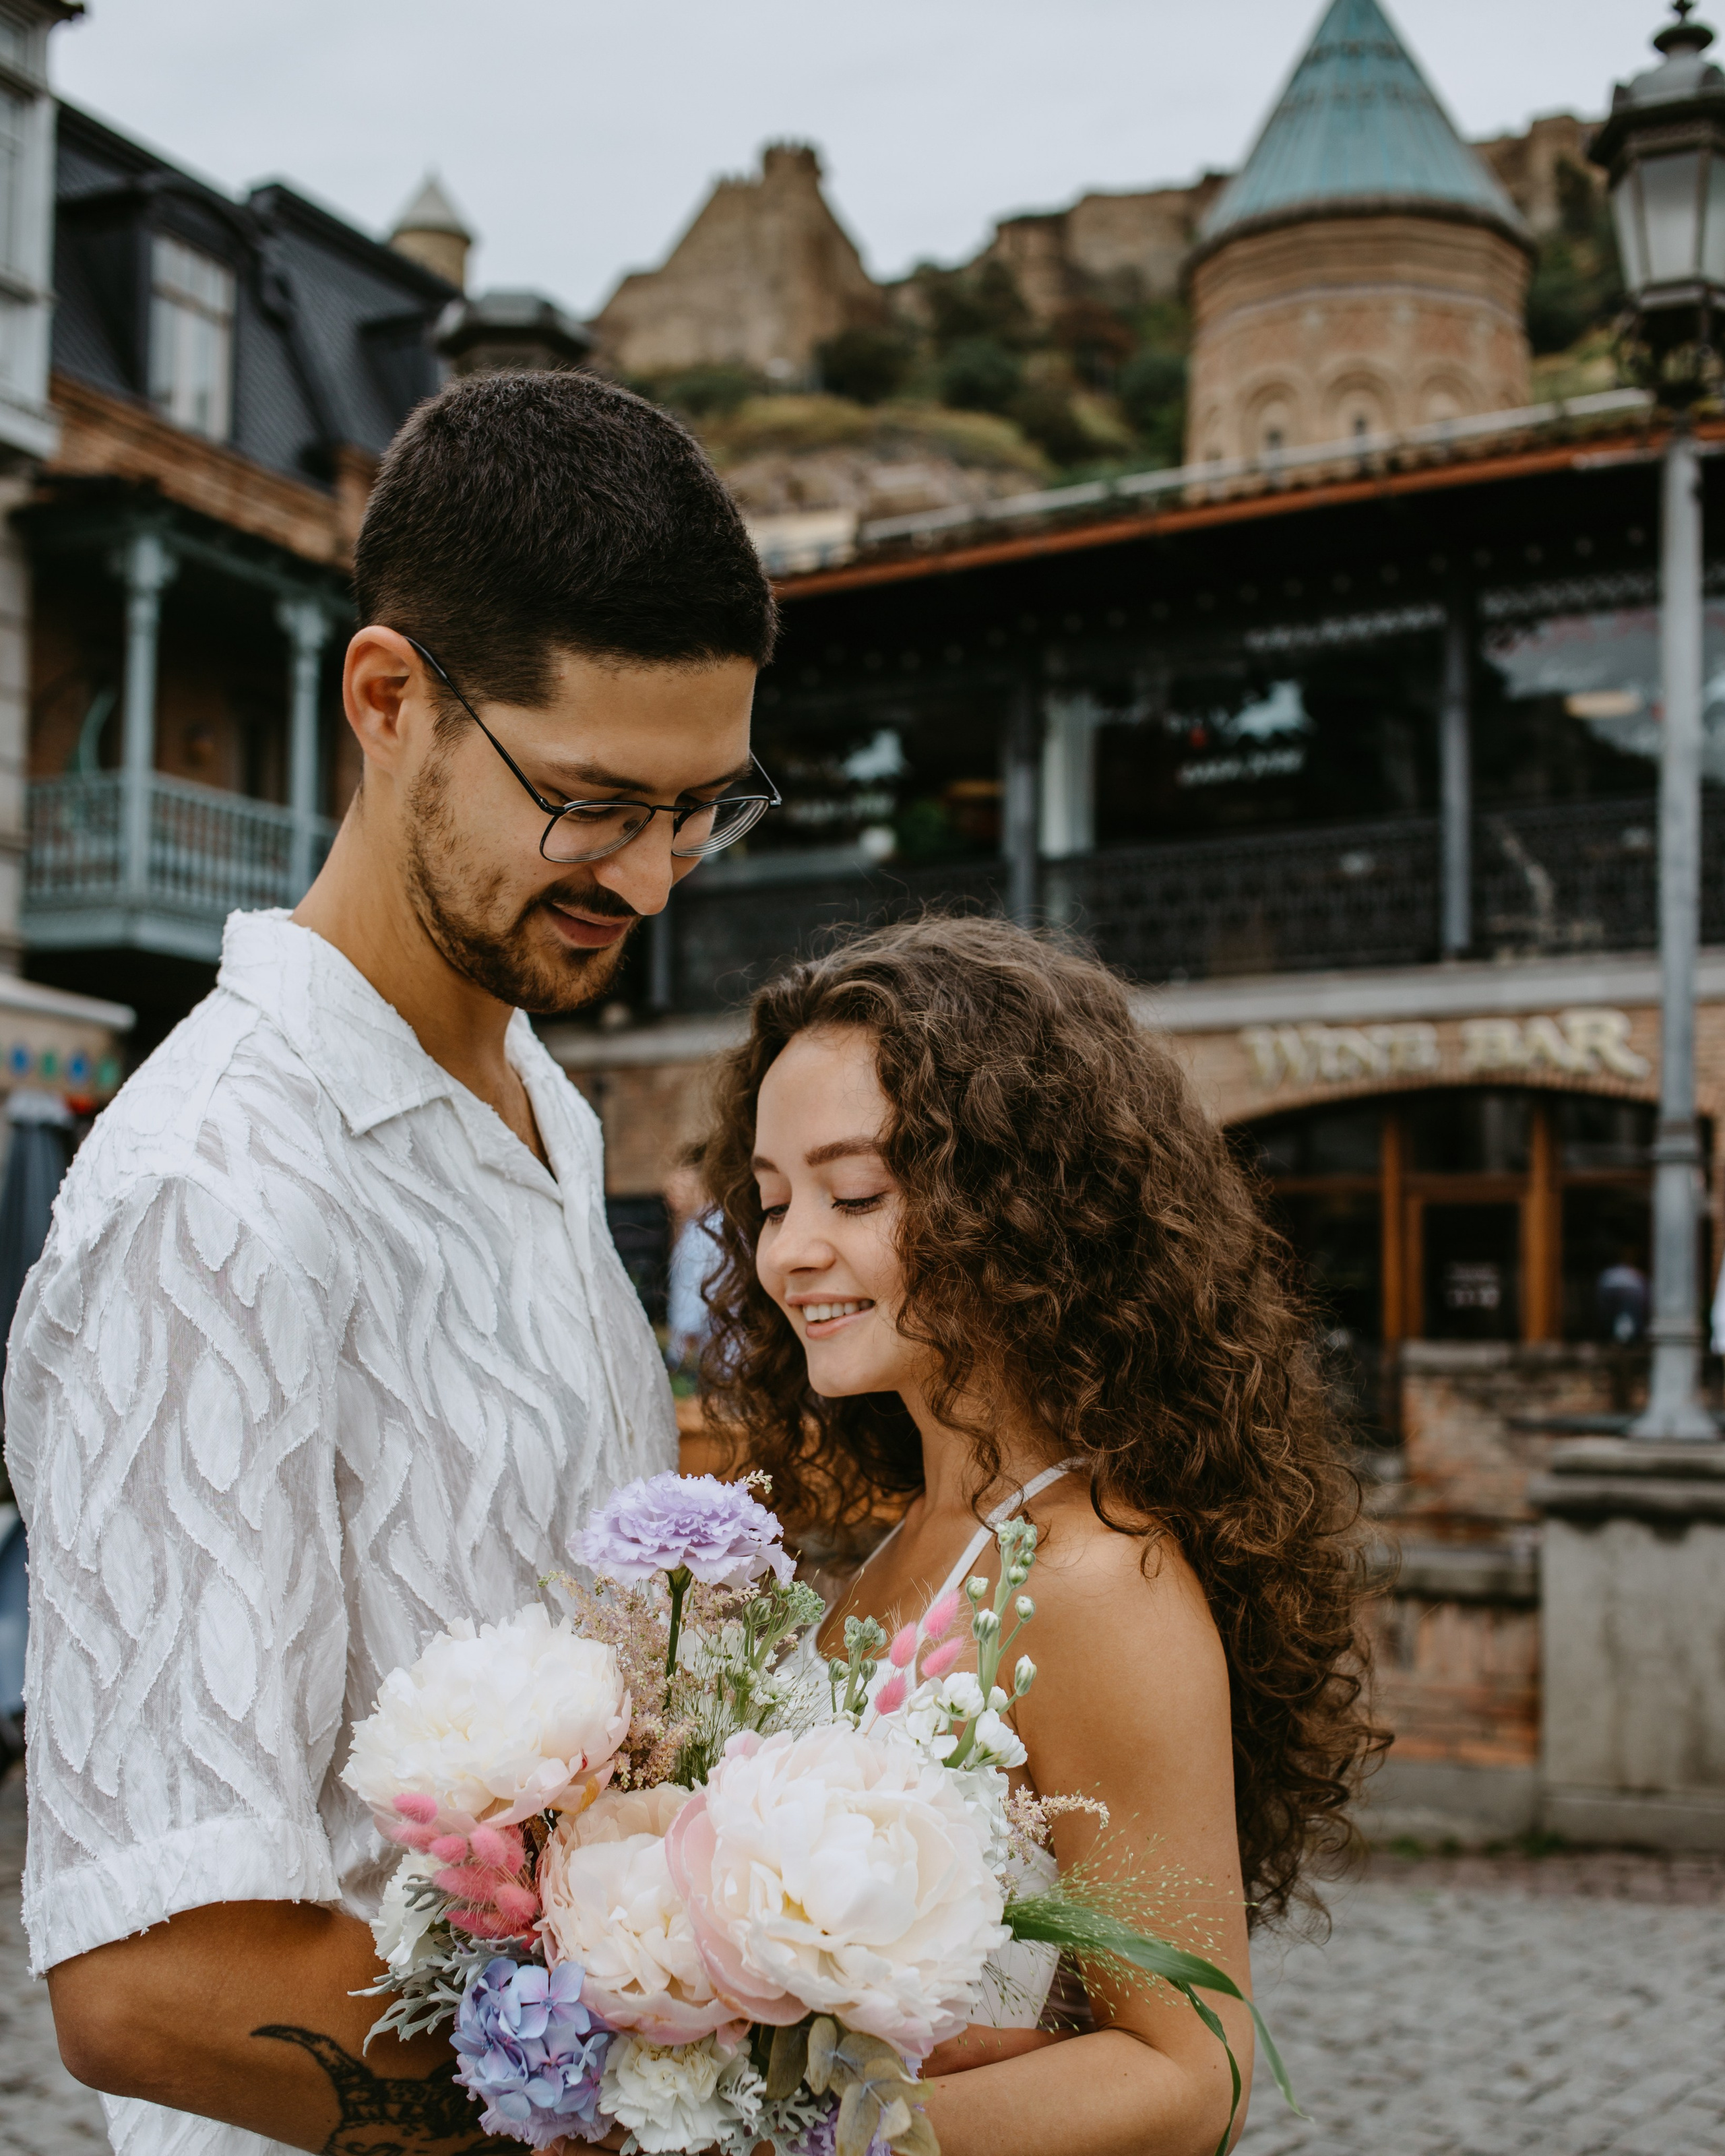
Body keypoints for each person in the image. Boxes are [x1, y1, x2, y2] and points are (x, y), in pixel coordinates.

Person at [7, 369, 779, 2156]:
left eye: (700, 811)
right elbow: (147, 1972)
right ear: (388, 701)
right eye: (593, 803)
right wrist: (669, 2107)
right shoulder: (213, 1201)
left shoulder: (544, 1102)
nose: (654, 882)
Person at [697, 916, 1381, 2156]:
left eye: (855, 1193)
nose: (791, 1250)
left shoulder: (1096, 1580)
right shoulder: (922, 1535)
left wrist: (804, 2139)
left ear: (1021, 1205)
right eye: (771, 1198)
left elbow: (1190, 2076)